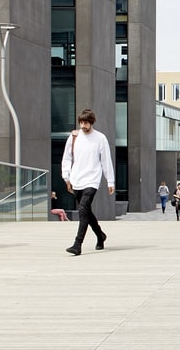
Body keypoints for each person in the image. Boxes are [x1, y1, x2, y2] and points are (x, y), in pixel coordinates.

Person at [62, 108, 115, 255]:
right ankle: (100, 235)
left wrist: (110, 181)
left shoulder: (100, 138)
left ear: (91, 123)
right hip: (76, 178)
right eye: (81, 122)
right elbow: (67, 158)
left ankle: (77, 245)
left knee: (83, 209)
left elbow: (106, 161)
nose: (83, 125)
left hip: (92, 179)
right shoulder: (73, 137)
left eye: (86, 123)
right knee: (86, 211)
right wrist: (66, 177)